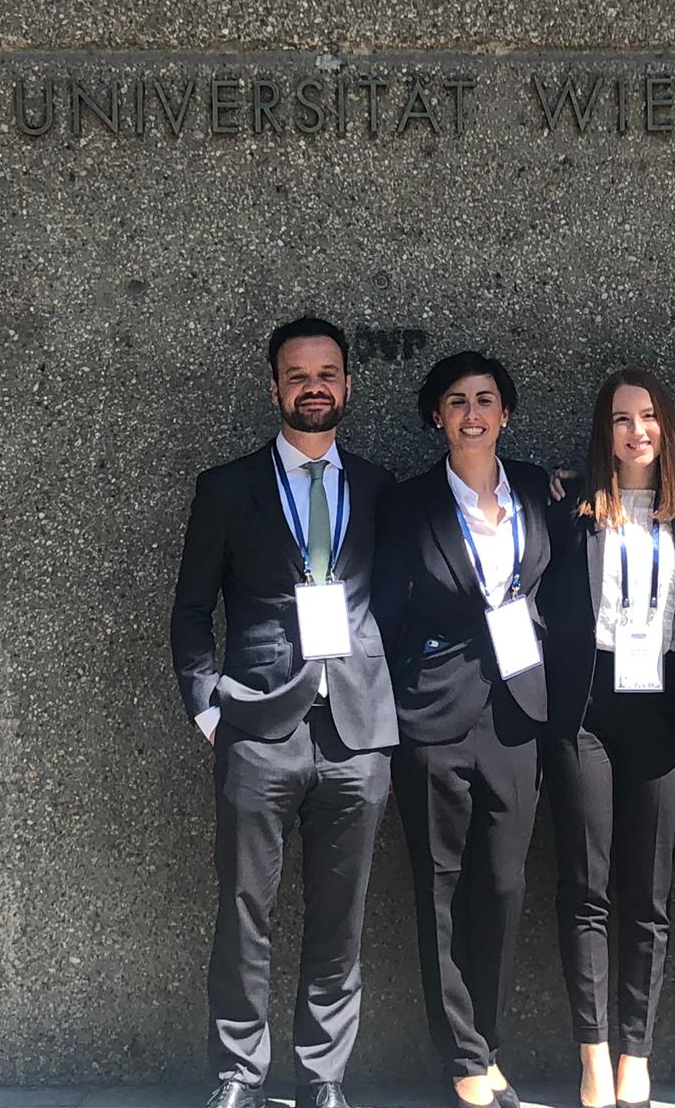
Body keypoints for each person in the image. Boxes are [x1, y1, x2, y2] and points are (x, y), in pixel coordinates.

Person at [170, 316, 398, 1108]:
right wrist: (207, 708)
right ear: (274, 388)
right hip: (257, 728)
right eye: (297, 375)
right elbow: (191, 610)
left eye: (327, 373)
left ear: (348, 385)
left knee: (341, 918)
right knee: (244, 911)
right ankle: (239, 1072)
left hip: (357, 732)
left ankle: (323, 1076)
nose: (313, 387)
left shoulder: (379, 488)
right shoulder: (226, 488)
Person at [374, 351, 552, 1108]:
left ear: (505, 413)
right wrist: (385, 718)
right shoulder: (407, 505)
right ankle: (465, 1058)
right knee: (440, 888)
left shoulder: (538, 490)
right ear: (436, 417)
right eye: (456, 402)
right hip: (433, 718)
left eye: (485, 400)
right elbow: (383, 617)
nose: (472, 414)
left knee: (504, 885)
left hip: (517, 714)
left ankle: (489, 1042)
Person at [539, 370, 675, 1108]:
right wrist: (550, 479)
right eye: (619, 418)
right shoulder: (571, 509)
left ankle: (637, 1051)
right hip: (588, 710)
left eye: (647, 417)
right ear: (603, 432)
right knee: (586, 886)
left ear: (665, 426)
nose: (636, 431)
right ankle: (594, 1055)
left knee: (649, 893)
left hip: (663, 712)